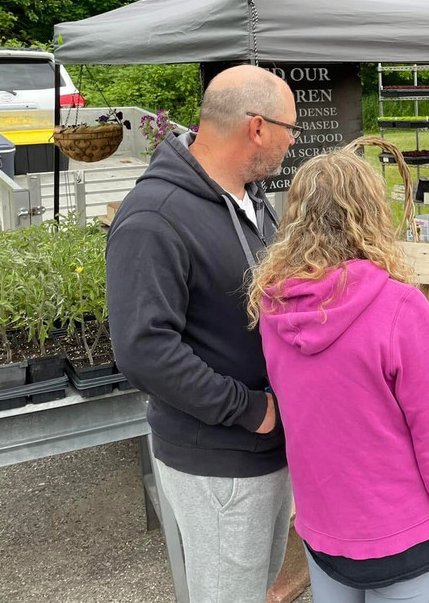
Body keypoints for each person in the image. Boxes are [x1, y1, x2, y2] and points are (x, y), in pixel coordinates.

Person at [250, 149, 429, 603]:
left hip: (324, 528)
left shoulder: (272, 307)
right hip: (400, 533)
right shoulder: (400, 308)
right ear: (372, 214)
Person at [107, 65, 298, 603]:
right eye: (290, 130)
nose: (292, 143)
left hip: (263, 448)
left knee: (254, 587)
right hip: (220, 455)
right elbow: (144, 350)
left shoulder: (247, 198)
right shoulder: (156, 217)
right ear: (257, 128)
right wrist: (252, 410)